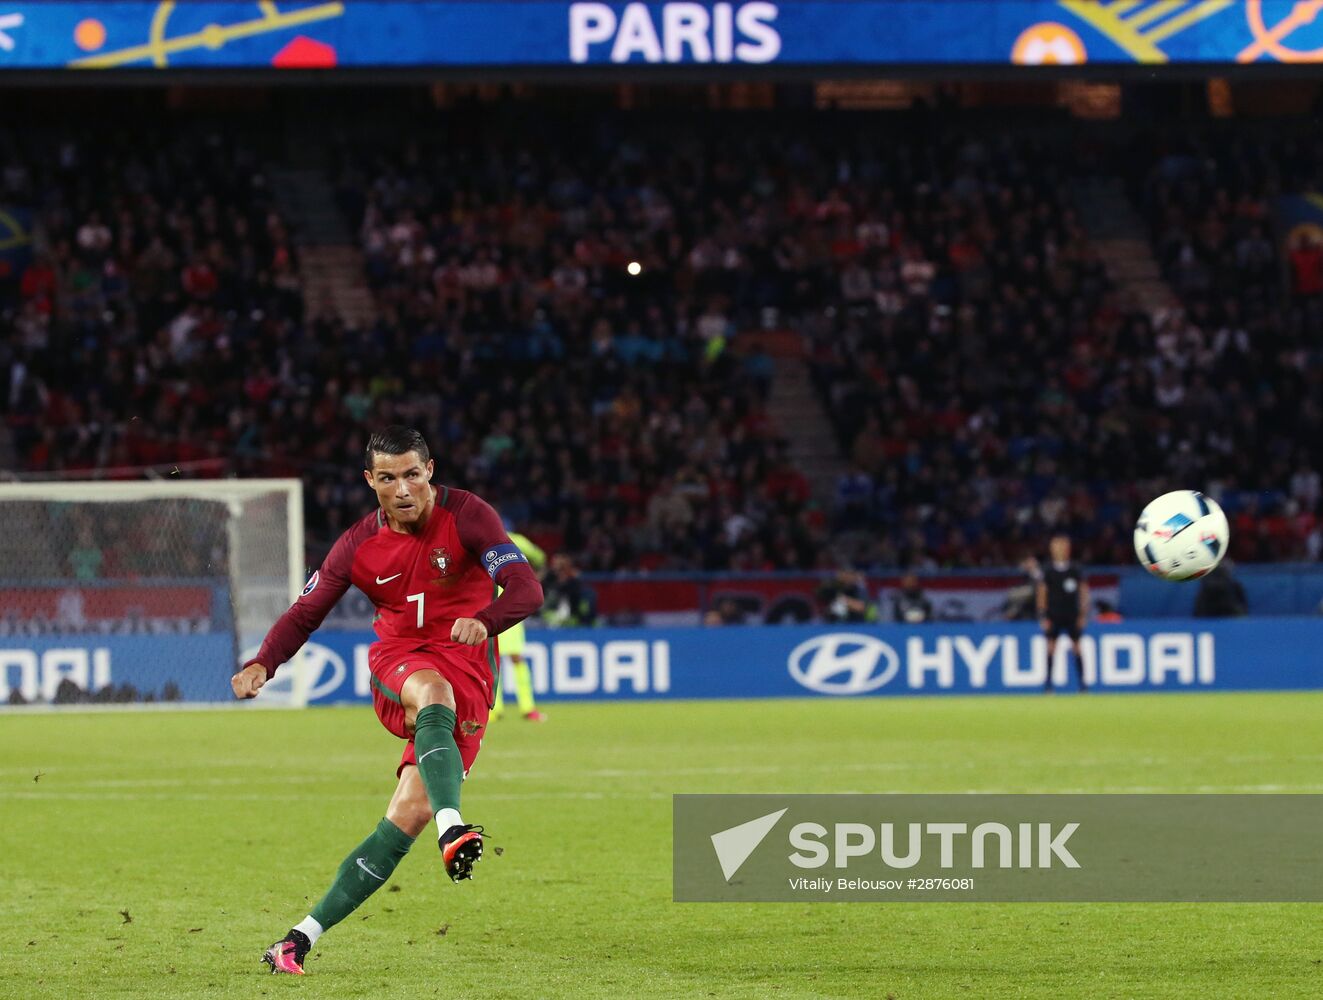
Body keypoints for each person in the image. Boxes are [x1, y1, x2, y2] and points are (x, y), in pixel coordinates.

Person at [230, 426, 543, 976]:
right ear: (370, 481)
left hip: (469, 670)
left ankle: (295, 941)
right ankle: (454, 824)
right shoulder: (357, 545)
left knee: (405, 818)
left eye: (413, 475)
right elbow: (306, 612)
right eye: (389, 478)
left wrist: (487, 620)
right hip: (399, 662)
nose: (403, 488)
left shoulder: (469, 516)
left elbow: (525, 588)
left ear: (430, 471)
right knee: (431, 692)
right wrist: (264, 661)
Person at [492, 525, 548, 722]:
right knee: (492, 657)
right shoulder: (476, 539)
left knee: (515, 657)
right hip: (488, 604)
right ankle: (494, 709)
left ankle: (527, 707)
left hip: (510, 603)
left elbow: (539, 558)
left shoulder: (516, 540)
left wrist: (532, 578)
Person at [1037, 534, 1089, 691]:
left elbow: (1083, 592)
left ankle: (1083, 684)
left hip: (1072, 614)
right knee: (1051, 647)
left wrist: (1082, 614)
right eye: (1057, 547)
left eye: (1063, 547)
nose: (1060, 550)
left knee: (1077, 647)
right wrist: (1043, 615)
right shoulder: (1048, 570)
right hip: (1054, 615)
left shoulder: (1075, 569)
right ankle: (1048, 684)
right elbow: (1042, 593)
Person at [541, 553, 599, 627]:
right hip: (547, 619)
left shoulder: (574, 582)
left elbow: (579, 605)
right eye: (554, 561)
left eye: (559, 561)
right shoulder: (549, 579)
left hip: (571, 620)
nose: (555, 563)